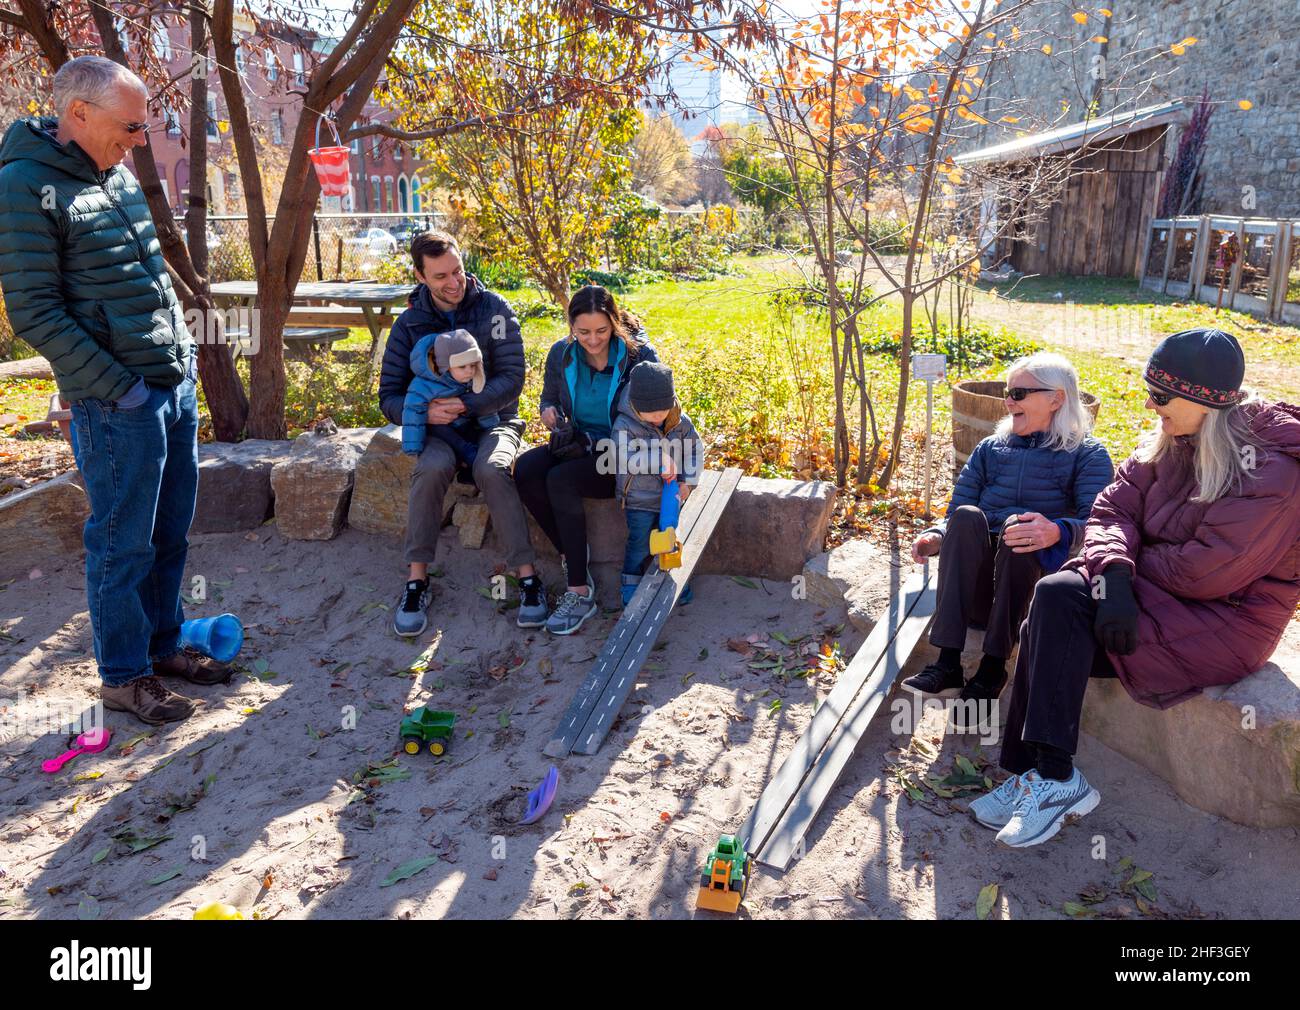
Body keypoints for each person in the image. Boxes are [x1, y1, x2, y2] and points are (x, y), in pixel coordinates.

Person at [970, 329, 1300, 848]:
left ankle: (1049, 776)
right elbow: (1110, 509)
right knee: (1054, 598)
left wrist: (1118, 570)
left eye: (1163, 395)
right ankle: (1043, 775)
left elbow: (1207, 572)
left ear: (1203, 400)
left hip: (1224, 623)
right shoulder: (1171, 441)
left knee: (1059, 602)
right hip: (1157, 599)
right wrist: (1114, 569)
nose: (1150, 404)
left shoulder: (1272, 472)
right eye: (1149, 389)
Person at [0, 56, 227, 724]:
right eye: (128, 126)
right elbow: (36, 311)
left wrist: (182, 359)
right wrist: (120, 387)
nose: (136, 140)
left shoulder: (117, 175)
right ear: (79, 114)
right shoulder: (23, 185)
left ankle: (162, 647)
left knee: (168, 532)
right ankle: (124, 677)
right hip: (115, 402)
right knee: (122, 542)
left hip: (169, 384)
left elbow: (150, 281)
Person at [903, 353, 1114, 721]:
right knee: (968, 517)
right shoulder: (991, 449)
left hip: (1030, 595)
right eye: (1008, 391)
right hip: (978, 593)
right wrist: (935, 537)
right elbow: (956, 513)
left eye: (1019, 392)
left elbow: (1098, 528)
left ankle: (992, 669)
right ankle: (947, 662)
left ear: (1056, 399)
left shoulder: (1088, 455)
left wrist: (1056, 531)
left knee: (1021, 527)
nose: (1008, 401)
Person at [378, 231, 541, 636]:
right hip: (436, 430)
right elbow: (389, 397)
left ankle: (528, 578)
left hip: (494, 419)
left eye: (458, 271)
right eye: (440, 277)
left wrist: (469, 404)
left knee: (492, 469)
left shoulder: (495, 310)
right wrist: (428, 412)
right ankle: (416, 582)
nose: (453, 283)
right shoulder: (409, 324)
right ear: (420, 275)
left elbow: (513, 377)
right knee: (430, 469)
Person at [516, 285, 658, 635]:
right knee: (526, 469)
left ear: (614, 323)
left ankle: (579, 591)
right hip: (579, 445)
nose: (592, 340)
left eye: (601, 331)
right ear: (571, 327)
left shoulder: (639, 357)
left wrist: (594, 441)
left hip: (626, 455)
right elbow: (549, 396)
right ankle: (571, 554)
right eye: (582, 332)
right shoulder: (562, 354)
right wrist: (549, 411)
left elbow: (655, 419)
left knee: (560, 479)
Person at [612, 361, 703, 606]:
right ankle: (630, 579)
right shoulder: (625, 425)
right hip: (639, 500)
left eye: (663, 410)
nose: (657, 417)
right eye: (650, 413)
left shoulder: (680, 422)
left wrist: (689, 482)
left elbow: (694, 450)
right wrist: (657, 460)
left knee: (669, 537)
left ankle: (668, 576)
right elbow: (623, 457)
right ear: (635, 405)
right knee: (640, 541)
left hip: (670, 498)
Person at [401, 328, 499, 476]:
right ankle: (468, 453)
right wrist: (412, 445)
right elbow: (412, 411)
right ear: (445, 367)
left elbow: (480, 399)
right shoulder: (423, 385)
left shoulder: (470, 379)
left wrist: (490, 423)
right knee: (443, 432)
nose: (469, 371)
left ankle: (470, 469)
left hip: (463, 422)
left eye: (473, 365)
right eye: (462, 366)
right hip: (439, 427)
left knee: (474, 430)